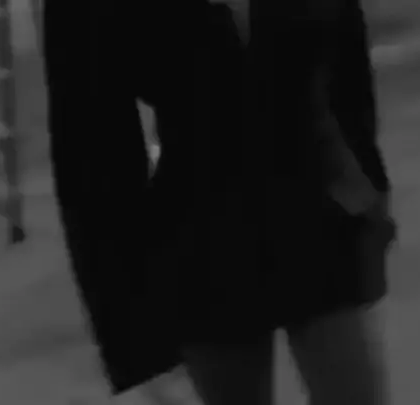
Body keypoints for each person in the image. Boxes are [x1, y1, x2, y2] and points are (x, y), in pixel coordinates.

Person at [45, 0, 395, 404]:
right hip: (202, 242)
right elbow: (90, 157)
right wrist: (139, 352)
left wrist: (369, 189)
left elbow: (348, 57)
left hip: (322, 212)